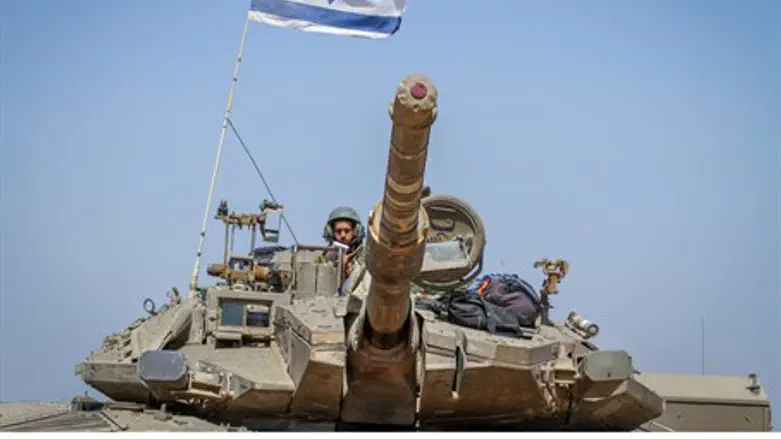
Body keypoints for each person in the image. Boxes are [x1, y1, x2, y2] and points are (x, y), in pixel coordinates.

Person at [322, 206, 365, 280]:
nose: (343, 235)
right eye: (338, 231)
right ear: (331, 233)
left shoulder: (364, 256)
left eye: (347, 231)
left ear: (356, 231)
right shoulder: (327, 256)